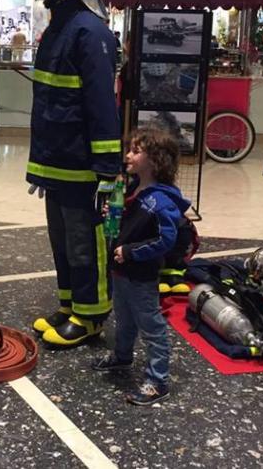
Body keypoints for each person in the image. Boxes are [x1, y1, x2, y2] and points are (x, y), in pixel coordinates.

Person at [26, 0, 122, 347]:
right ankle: (69, 305)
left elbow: (101, 103)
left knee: (86, 244)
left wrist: (108, 168)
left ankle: (91, 315)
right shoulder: (60, 27)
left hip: (82, 165)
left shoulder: (89, 31)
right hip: (56, 160)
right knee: (63, 242)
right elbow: (50, 101)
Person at [91, 127, 189, 405]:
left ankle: (158, 380)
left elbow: (165, 239)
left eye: (135, 151)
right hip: (121, 270)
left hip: (140, 274)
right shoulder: (134, 189)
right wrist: (115, 214)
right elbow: (133, 223)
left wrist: (131, 252)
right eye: (129, 149)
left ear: (155, 159)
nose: (128, 155)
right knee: (124, 318)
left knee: (151, 326)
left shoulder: (161, 200)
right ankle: (122, 357)